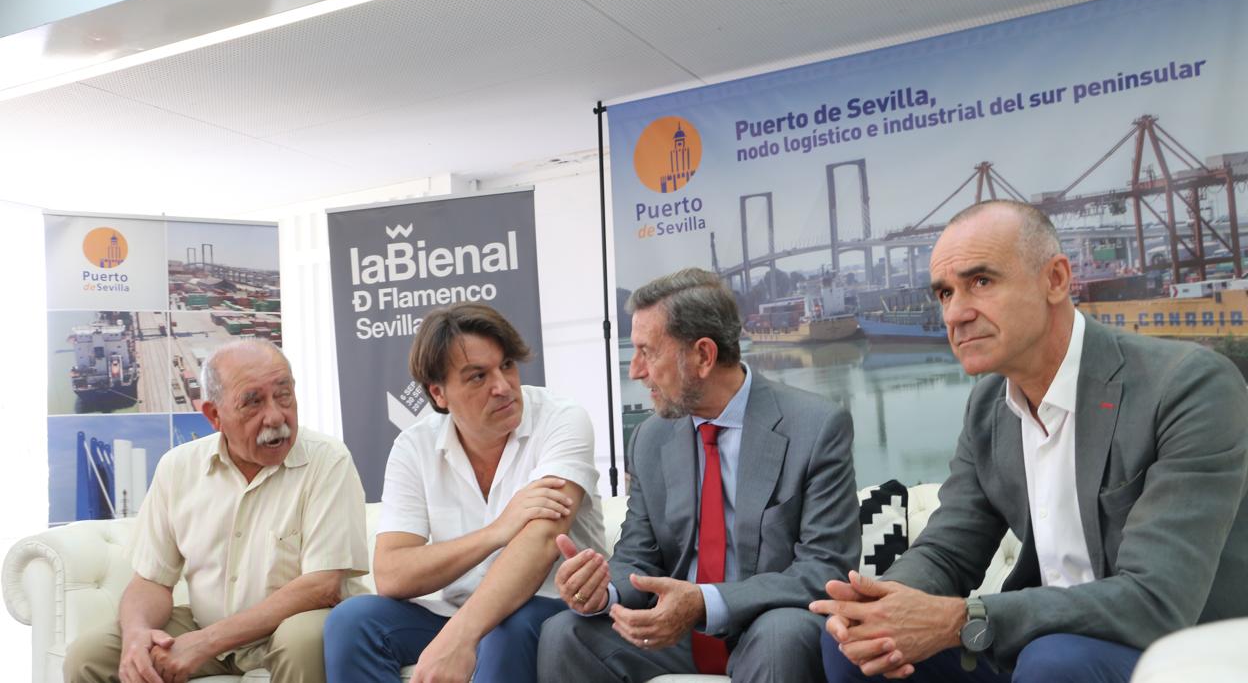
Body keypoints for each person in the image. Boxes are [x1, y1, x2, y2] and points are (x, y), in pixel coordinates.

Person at [814, 199, 1248, 682]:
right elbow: (947, 553)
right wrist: (882, 607)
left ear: (1056, 280)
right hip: (1043, 651)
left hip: (1181, 654)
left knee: (1055, 660)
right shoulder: (988, 407)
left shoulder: (1187, 387)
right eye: (944, 293)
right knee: (852, 645)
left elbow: (1156, 600)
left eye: (981, 282)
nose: (956, 313)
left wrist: (964, 619)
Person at [538, 267, 859, 682]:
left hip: (768, 626)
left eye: (647, 352)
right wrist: (604, 590)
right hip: (677, 637)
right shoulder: (651, 439)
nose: (635, 370)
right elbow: (638, 555)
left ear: (703, 356)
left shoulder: (815, 427)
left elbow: (823, 571)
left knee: (782, 634)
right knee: (565, 632)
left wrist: (705, 601)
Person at [323, 303, 605, 683]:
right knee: (352, 621)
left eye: (506, 365)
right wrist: (496, 532)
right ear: (439, 394)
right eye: (477, 377)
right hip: (451, 613)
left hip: (551, 611)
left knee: (506, 627)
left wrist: (461, 637)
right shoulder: (413, 447)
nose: (503, 387)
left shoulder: (562, 419)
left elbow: (540, 544)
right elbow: (391, 574)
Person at [65, 339, 369, 683]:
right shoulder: (178, 467)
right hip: (203, 624)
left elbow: (321, 588)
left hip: (292, 627)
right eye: (252, 402)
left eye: (284, 395)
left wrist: (204, 644)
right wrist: (136, 633)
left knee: (302, 640)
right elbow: (151, 580)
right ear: (214, 415)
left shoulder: (328, 460)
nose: (275, 416)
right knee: (89, 656)